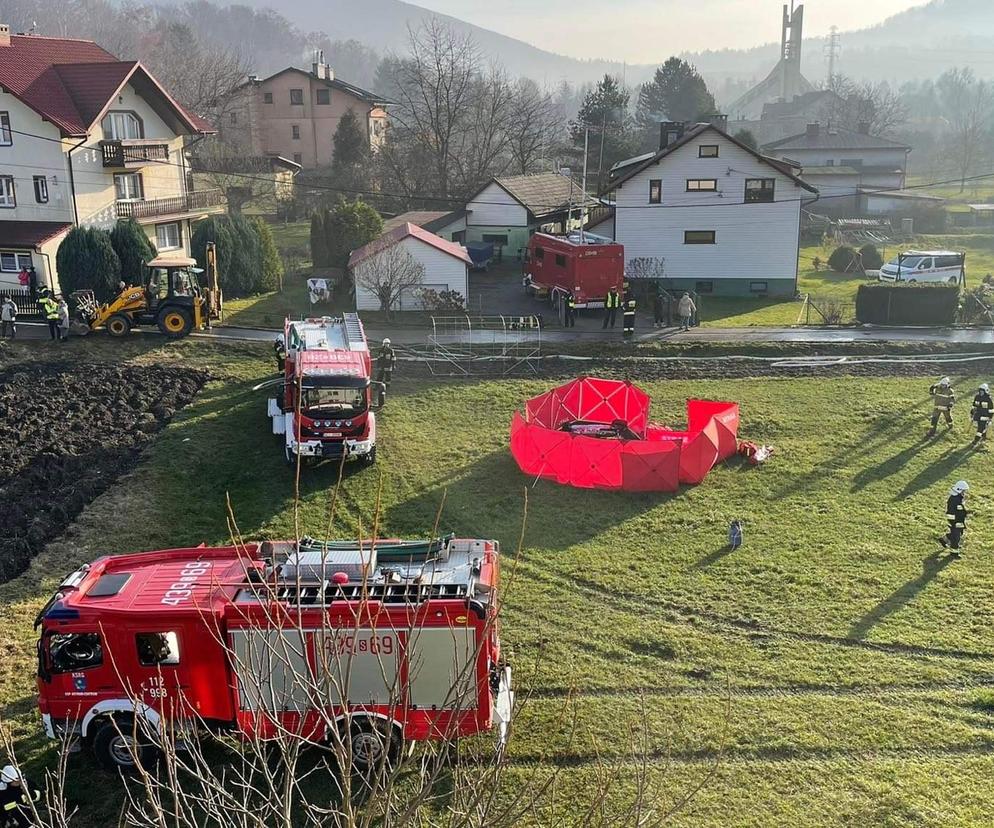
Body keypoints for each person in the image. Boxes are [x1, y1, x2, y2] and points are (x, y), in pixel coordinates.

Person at [939, 480, 969, 554]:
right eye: (963, 491)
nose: (964, 492)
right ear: (959, 490)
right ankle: (954, 551)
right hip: (955, 522)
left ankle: (944, 540)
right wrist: (953, 523)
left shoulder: (959, 498)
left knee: (959, 533)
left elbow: (960, 509)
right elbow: (951, 512)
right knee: (956, 536)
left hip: (959, 521)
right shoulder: (953, 500)